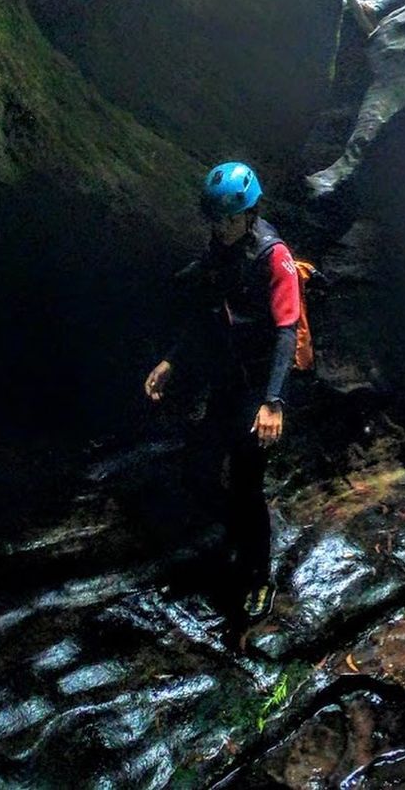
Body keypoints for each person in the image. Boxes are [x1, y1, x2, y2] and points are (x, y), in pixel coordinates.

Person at [144, 161, 300, 621]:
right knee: (197, 468)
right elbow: (205, 316)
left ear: (250, 215)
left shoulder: (274, 257)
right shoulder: (218, 250)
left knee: (248, 481)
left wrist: (274, 402)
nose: (223, 227)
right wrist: (171, 360)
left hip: (261, 384)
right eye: (217, 218)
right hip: (228, 380)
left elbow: (286, 332)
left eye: (231, 219)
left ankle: (259, 576)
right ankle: (235, 539)